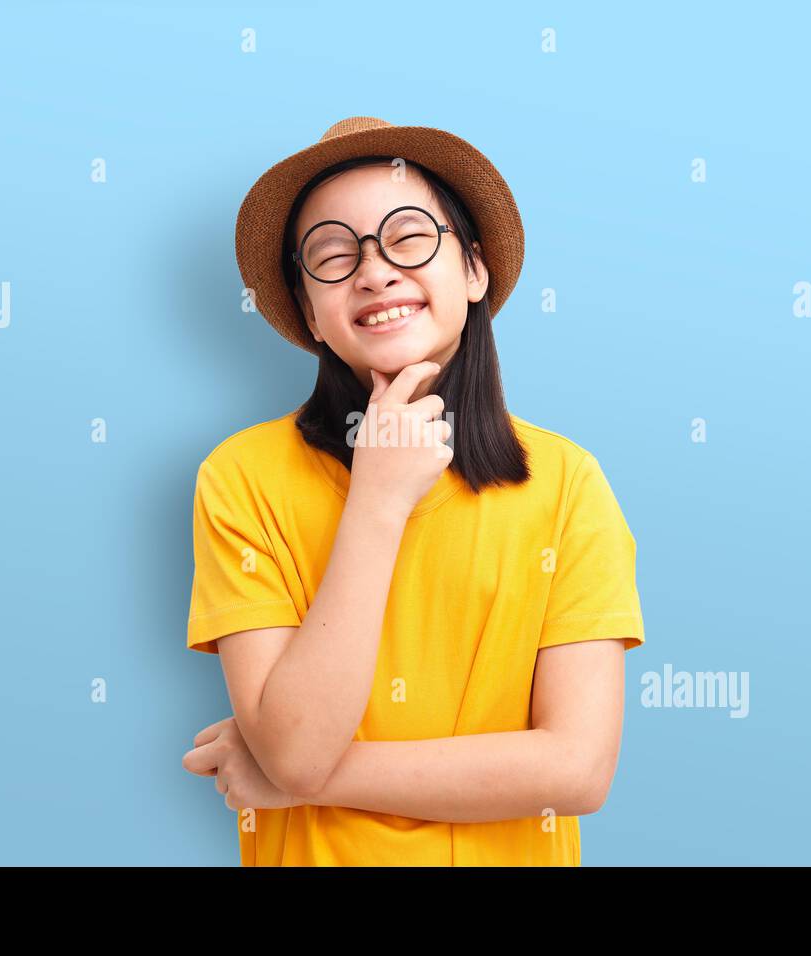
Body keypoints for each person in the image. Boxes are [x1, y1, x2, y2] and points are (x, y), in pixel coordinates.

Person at [182, 116, 646, 865]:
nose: (374, 272)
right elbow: (295, 752)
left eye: (407, 239)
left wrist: (297, 778)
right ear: (309, 311)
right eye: (333, 254)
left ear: (473, 269)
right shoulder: (242, 478)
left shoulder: (566, 483)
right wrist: (377, 499)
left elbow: (576, 770)